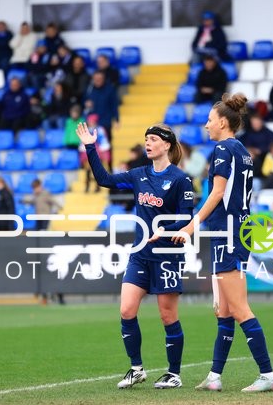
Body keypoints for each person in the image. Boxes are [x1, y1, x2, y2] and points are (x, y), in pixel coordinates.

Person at [171, 93, 273, 393]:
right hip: (237, 231)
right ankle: (215, 376)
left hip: (228, 232)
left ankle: (268, 375)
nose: (206, 125)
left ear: (222, 122)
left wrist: (193, 223)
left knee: (239, 307)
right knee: (224, 309)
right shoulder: (242, 149)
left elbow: (217, 193)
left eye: (209, 120)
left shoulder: (221, 149)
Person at [77, 120, 193, 390]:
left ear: (166, 145)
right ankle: (136, 368)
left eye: (153, 140)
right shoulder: (139, 174)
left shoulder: (180, 179)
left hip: (166, 254)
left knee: (167, 316)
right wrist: (90, 147)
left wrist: (164, 230)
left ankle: (174, 373)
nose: (148, 144)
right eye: (146, 139)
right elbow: (104, 180)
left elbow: (187, 217)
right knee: (127, 310)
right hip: (140, 253)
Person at [84, 70, 119, 145]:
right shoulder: (89, 89)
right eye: (96, 79)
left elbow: (114, 105)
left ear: (104, 79)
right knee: (92, 145)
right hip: (92, 122)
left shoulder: (110, 89)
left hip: (105, 121)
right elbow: (84, 100)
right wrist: (86, 103)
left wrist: (116, 119)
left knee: (106, 143)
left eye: (100, 79)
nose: (98, 81)